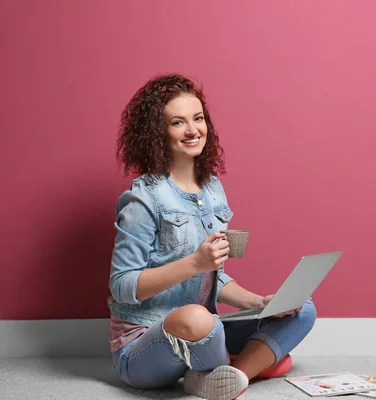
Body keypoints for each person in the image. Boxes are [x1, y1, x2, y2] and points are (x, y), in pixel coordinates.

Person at [107, 74, 317, 399]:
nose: (193, 130)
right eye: (178, 122)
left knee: (301, 307)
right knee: (197, 318)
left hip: (208, 327)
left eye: (198, 118)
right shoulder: (143, 199)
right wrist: (193, 263)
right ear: (157, 133)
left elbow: (211, 278)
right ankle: (250, 364)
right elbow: (122, 287)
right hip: (147, 341)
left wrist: (261, 302)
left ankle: (232, 377)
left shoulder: (212, 190)